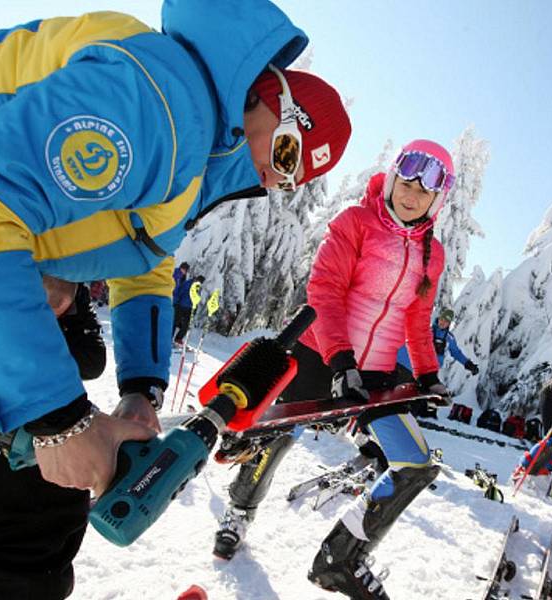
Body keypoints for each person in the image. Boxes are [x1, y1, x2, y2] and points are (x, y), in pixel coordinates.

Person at [0, 1, 351, 597]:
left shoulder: (193, 148)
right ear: (263, 96)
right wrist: (56, 419)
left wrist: (141, 389)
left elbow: (147, 265)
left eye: (289, 179)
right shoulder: (160, 101)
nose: (269, 176)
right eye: (284, 153)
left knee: (62, 403)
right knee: (33, 513)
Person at [213, 139, 455, 600]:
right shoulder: (356, 222)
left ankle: (339, 559)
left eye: (424, 192)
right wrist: (341, 360)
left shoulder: (431, 254)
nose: (411, 195)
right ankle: (239, 513)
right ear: (392, 179)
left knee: (416, 464)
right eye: (405, 182)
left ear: (437, 200)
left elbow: (416, 319)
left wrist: (427, 374)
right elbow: (324, 291)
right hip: (321, 354)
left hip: (377, 373)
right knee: (274, 439)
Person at [432, 307, 479, 375]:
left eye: (446, 321)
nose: (443, 322)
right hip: (418, 367)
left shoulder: (449, 338)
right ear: (439, 318)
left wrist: (468, 364)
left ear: (449, 324)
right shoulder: (428, 331)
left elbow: (456, 353)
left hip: (433, 371)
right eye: (442, 319)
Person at [173, 274, 205, 347]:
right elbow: (179, 292)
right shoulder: (188, 283)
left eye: (201, 282)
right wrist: (177, 302)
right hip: (181, 305)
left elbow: (197, 299)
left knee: (186, 325)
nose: (199, 283)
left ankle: (178, 339)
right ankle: (169, 337)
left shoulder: (198, 287)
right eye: (199, 281)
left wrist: (195, 309)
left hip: (189, 308)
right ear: (196, 279)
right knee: (175, 322)